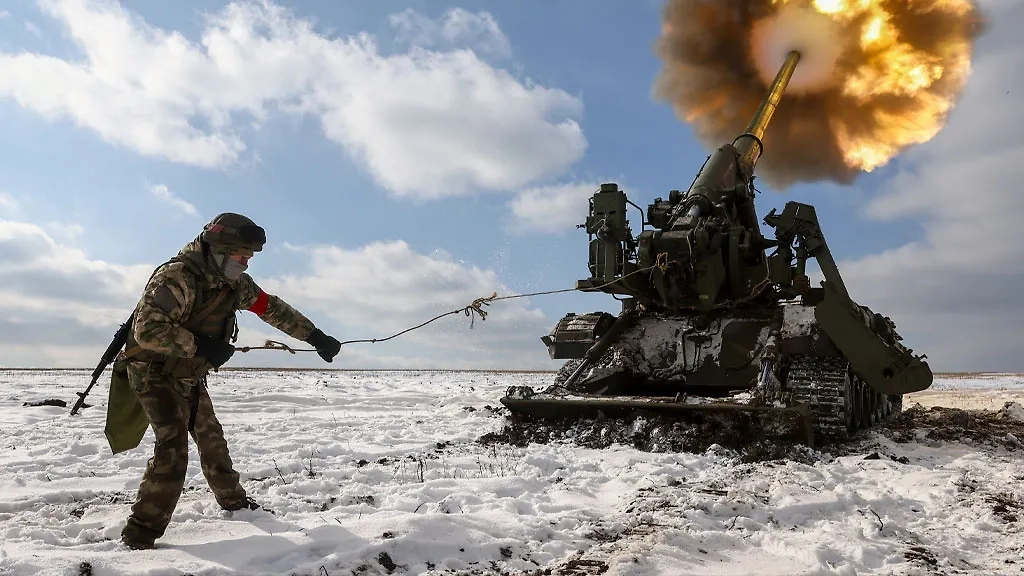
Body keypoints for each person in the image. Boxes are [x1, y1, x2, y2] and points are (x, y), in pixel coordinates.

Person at [117, 212, 342, 550]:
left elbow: (272, 309)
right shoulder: (177, 278)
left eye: (249, 258)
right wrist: (201, 346)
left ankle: (235, 504)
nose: (246, 263)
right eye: (241, 256)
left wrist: (315, 336)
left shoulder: (234, 284)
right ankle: (140, 535)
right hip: (153, 373)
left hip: (188, 374)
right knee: (173, 448)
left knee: (212, 440)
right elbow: (147, 330)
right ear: (219, 249)